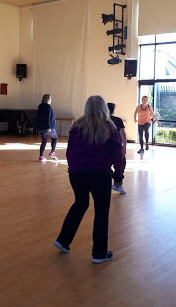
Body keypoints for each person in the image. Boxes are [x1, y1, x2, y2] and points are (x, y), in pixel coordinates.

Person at [54, 95, 122, 264]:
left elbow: (70, 151)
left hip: (77, 174)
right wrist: (118, 174)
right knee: (101, 211)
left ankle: (63, 240)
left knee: (80, 203)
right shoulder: (109, 127)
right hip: (100, 174)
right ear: (104, 109)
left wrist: (74, 168)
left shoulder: (77, 126)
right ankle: (99, 253)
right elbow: (117, 153)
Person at [107, 102, 127, 195]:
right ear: (113, 111)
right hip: (116, 147)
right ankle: (117, 185)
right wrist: (124, 147)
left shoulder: (100, 120)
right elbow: (123, 135)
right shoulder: (117, 120)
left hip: (103, 147)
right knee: (120, 166)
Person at [36, 94, 58, 162]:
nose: (51, 100)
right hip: (48, 128)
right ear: (48, 99)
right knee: (55, 138)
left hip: (41, 128)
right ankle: (52, 152)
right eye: (50, 98)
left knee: (44, 142)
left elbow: (38, 118)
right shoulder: (48, 107)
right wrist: (49, 127)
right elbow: (47, 117)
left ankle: (41, 157)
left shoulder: (40, 107)